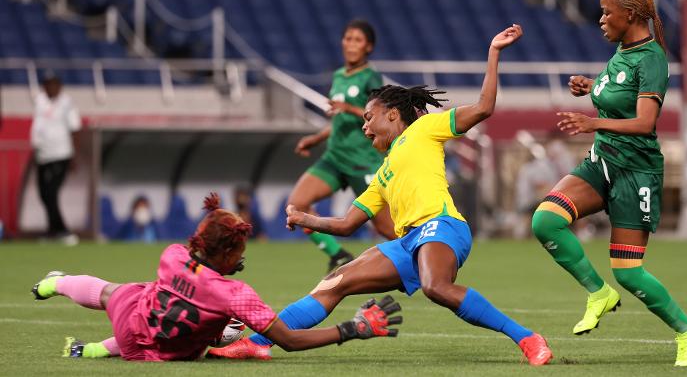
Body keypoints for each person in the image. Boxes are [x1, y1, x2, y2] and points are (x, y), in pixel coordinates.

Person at [209, 25, 553, 366]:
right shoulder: (383, 173)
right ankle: (256, 343)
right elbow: (346, 225)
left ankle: (528, 338)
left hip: (442, 225)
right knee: (333, 282)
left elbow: (483, 107)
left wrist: (493, 53)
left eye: (369, 117)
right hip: (408, 243)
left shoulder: (424, 128)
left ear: (392, 113)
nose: (364, 126)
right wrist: (303, 218)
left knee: (436, 287)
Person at [530, 0, 687, 366]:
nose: (601, 18)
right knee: (546, 220)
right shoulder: (622, 52)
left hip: (635, 172)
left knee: (628, 272)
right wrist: (592, 87)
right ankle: (598, 293)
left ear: (631, 14)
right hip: (602, 162)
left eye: (607, 11)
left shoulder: (653, 58)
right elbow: (619, 92)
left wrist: (593, 123)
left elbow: (645, 123)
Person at [30, 193, 401, 361]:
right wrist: (351, 329)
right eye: (239, 251)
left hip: (133, 324)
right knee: (218, 327)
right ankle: (92, 349)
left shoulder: (172, 256)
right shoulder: (235, 293)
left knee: (115, 293)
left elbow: (194, 271)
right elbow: (288, 340)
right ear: (225, 252)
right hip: (163, 354)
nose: (242, 256)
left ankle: (55, 283)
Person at [292, 19, 397, 272]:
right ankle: (337, 254)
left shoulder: (370, 76)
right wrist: (316, 138)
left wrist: (349, 108)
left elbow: (381, 116)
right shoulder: (339, 76)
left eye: (357, 40)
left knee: (385, 228)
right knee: (297, 204)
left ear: (368, 47)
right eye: (348, 38)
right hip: (335, 158)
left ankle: (425, 258)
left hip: (363, 161)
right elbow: (340, 121)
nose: (351, 44)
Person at [30, 71, 81, 245]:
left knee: (51, 192)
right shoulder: (39, 100)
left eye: (53, 83)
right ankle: (53, 231)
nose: (50, 87)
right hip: (42, 155)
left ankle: (63, 231)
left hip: (61, 154)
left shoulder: (67, 102)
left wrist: (74, 155)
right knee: (43, 194)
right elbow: (37, 126)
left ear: (59, 85)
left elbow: (75, 128)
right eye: (47, 83)